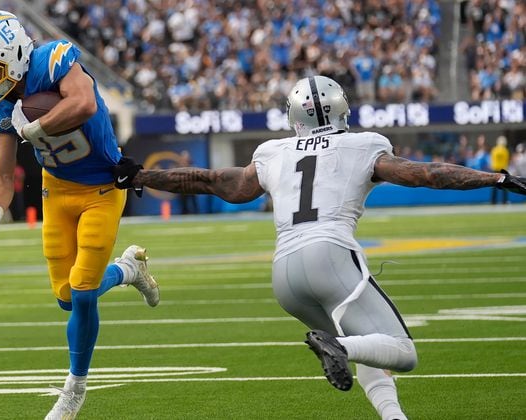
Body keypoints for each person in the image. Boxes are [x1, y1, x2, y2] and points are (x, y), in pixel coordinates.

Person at [113, 75, 526, 420]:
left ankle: (393, 415)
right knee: (400, 351)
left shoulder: (273, 152)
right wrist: (494, 179)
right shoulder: (363, 145)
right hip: (330, 256)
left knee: (365, 342)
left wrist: (144, 177)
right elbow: (427, 174)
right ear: (342, 108)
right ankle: (337, 347)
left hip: (284, 274)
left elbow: (211, 181)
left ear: (293, 118)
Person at [0, 10, 159, 420]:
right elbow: (0, 171)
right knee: (67, 299)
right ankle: (128, 271)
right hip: (57, 191)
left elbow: (82, 103)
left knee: (83, 291)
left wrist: (34, 129)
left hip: (103, 185)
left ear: (13, 55)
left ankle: (74, 388)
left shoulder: (54, 59)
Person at [489, 135, 510, 204]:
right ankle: (504, 201)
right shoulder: (505, 150)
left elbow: (492, 160)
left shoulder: (494, 150)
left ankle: (493, 201)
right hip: (503, 170)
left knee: (494, 187)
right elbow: (507, 161)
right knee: (505, 187)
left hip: (495, 170)